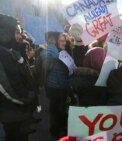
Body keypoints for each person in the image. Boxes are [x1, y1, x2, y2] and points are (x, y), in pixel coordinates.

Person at [0, 13, 37, 141]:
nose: (20, 36)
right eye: (16, 32)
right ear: (6, 32)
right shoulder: (3, 54)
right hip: (13, 111)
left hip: (17, 112)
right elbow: (8, 88)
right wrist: (28, 97)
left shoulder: (11, 51)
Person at [38, 33, 73, 139]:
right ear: (56, 42)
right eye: (61, 41)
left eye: (65, 41)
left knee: (61, 108)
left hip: (64, 86)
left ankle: (60, 127)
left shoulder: (66, 51)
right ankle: (54, 130)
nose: (64, 43)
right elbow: (44, 55)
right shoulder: (50, 51)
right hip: (53, 87)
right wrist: (53, 47)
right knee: (54, 110)